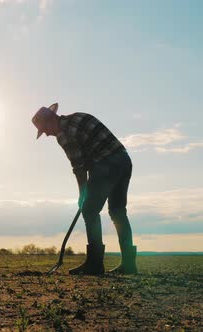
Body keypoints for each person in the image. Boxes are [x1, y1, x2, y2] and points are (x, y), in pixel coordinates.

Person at [32, 103, 137, 275]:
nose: (48, 134)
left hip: (106, 163)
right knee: (118, 211)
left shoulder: (63, 134)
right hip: (124, 161)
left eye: (45, 130)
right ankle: (129, 265)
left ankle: (95, 264)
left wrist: (82, 195)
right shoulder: (79, 116)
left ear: (51, 121)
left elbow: (79, 167)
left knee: (89, 211)